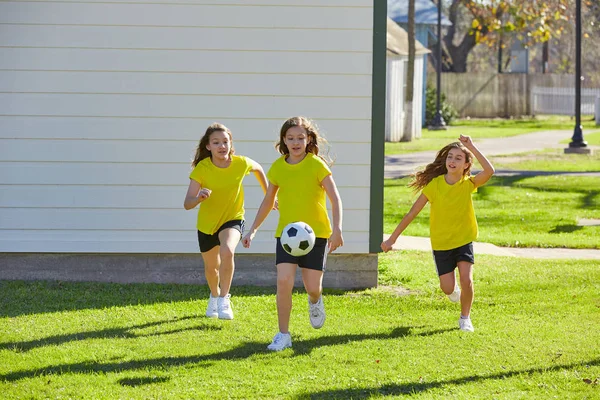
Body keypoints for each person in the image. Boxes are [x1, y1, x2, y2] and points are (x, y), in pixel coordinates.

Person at [242, 116, 344, 351]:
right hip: (286, 236)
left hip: (316, 235)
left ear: (308, 140)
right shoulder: (278, 167)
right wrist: (253, 229)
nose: (296, 142)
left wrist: (337, 228)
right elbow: (269, 200)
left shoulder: (317, 164)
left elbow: (335, 198)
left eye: (300, 137)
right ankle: (283, 334)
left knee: (312, 287)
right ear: (283, 141)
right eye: (291, 138)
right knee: (284, 280)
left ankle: (315, 300)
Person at [381, 135, 495, 332]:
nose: (452, 161)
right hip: (441, 243)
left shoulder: (468, 184)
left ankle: (465, 318)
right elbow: (412, 213)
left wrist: (472, 147)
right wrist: (392, 238)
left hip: (463, 239)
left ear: (467, 164)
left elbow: (489, 171)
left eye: (459, 158)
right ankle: (454, 293)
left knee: (467, 280)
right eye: (450, 157)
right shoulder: (434, 185)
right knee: (447, 288)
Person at [184, 123, 269, 320]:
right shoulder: (202, 169)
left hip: (233, 219)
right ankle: (214, 296)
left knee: (228, 250)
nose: (222, 146)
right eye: (216, 142)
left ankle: (224, 299)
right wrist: (199, 198)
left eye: (225, 142)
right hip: (207, 225)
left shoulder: (241, 163)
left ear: (231, 144)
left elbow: (258, 169)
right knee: (211, 269)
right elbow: (187, 203)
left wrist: (269, 196)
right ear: (208, 146)